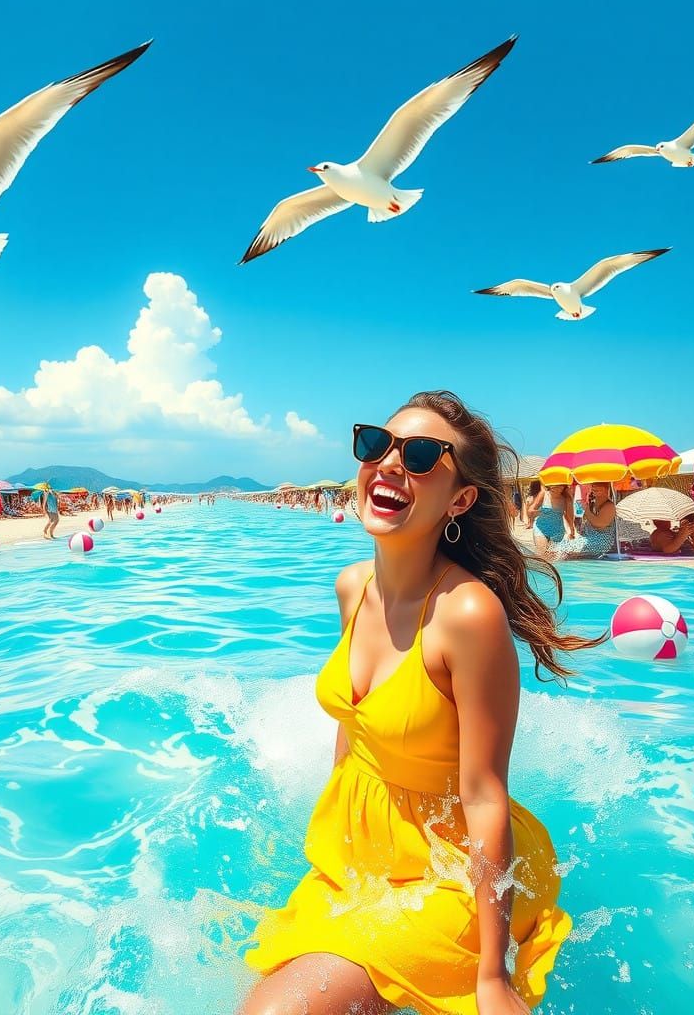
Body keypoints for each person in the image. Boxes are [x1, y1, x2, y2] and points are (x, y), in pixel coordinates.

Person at [241, 391, 591, 1015]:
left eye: (423, 455)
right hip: (364, 854)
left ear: (459, 500)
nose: (391, 464)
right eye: (378, 444)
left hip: (450, 869)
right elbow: (354, 731)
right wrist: (337, 846)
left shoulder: (467, 615)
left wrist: (492, 976)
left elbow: (484, 794)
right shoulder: (354, 586)